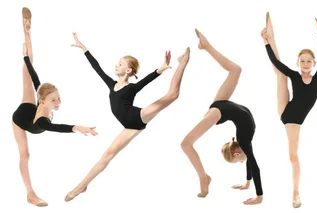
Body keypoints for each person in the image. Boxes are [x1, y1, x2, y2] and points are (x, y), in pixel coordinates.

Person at [64, 32, 191, 202]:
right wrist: (84, 48)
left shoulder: (131, 88)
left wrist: (160, 69)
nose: (116, 65)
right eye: (117, 63)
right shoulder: (111, 84)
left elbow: (144, 81)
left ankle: (183, 62)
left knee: (172, 95)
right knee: (107, 154)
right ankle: (81, 186)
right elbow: (97, 68)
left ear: (128, 70)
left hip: (137, 116)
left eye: (121, 64)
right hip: (130, 126)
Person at [12, 7, 98, 207]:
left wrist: (25, 56)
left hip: (30, 107)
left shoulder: (41, 94)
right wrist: (77, 127)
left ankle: (27, 31)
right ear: (42, 101)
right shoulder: (42, 120)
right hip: (21, 118)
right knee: (25, 154)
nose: (58, 103)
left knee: (28, 68)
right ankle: (30, 194)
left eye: (58, 98)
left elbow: (34, 74)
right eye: (54, 101)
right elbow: (56, 128)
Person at [180, 29, 263, 205]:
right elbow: (253, 164)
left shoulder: (244, 140)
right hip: (220, 107)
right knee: (236, 70)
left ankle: (203, 177)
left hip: (220, 109)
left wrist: (253, 189)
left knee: (186, 144)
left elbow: (251, 163)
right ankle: (206, 46)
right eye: (238, 162)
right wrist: (254, 190)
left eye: (238, 161)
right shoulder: (244, 140)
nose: (242, 162)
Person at [261, 11, 317, 208]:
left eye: (309, 61)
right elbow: (277, 62)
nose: (305, 64)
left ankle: (295, 192)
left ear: (314, 64)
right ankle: (269, 35)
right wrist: (265, 43)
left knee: (292, 156)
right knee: (280, 74)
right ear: (298, 64)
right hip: (287, 111)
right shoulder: (296, 76)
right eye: (302, 61)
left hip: (292, 120)